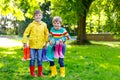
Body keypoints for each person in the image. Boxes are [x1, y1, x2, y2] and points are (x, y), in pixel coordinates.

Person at [22, 10, 49, 77]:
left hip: (40, 45)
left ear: (42, 16)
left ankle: (40, 73)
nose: (38, 17)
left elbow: (46, 34)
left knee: (40, 59)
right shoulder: (31, 25)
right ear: (34, 17)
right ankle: (32, 73)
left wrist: (46, 43)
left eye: (39, 15)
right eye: (36, 15)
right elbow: (26, 33)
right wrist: (25, 42)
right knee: (32, 59)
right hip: (32, 45)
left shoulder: (44, 25)